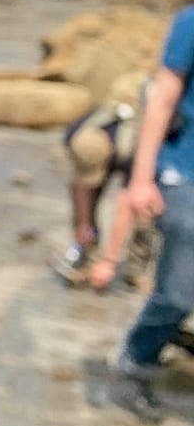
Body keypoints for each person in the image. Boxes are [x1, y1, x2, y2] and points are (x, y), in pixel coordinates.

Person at [114, 3, 194, 418]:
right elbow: (162, 98)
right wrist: (141, 179)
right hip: (184, 169)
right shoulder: (190, 22)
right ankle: (135, 362)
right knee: (181, 284)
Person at [51, 71, 152, 288]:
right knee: (86, 209)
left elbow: (127, 204)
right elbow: (79, 183)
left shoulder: (134, 148)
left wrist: (109, 262)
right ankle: (86, 257)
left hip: (136, 149)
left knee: (145, 212)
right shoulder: (78, 133)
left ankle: (137, 269)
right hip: (104, 141)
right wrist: (83, 225)